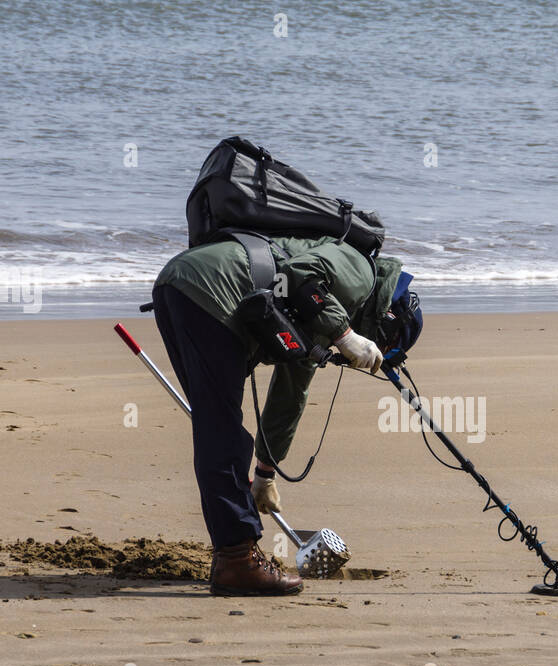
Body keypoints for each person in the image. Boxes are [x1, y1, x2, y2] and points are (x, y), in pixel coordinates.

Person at [151, 233, 421, 596]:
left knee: (217, 424)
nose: (369, 358)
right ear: (386, 321)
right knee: (223, 432)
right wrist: (346, 334)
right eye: (381, 348)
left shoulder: (318, 319)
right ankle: (237, 561)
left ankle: (230, 556)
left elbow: (291, 391)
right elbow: (300, 272)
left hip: (182, 285)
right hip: (213, 288)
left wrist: (265, 472)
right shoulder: (362, 271)